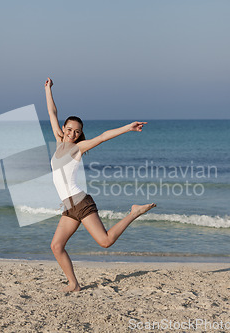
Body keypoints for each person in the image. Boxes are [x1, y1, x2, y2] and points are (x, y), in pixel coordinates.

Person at [45, 77, 156, 292]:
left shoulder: (78, 148)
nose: (72, 133)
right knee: (56, 246)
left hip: (81, 203)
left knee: (105, 242)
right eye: (69, 129)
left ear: (80, 134)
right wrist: (48, 90)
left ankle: (133, 212)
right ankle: (74, 284)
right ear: (64, 128)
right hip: (69, 207)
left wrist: (128, 127)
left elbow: (104, 136)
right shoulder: (59, 141)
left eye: (77, 131)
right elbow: (52, 113)